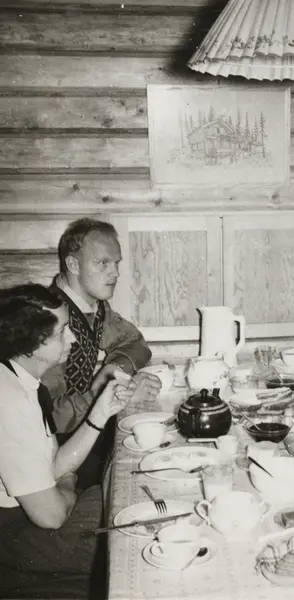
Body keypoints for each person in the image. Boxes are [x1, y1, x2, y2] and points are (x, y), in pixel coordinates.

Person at [0, 284, 131, 598]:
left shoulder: (21, 380)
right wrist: (68, 484)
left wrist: (100, 412)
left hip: (35, 516)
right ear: (31, 343)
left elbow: (55, 465)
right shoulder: (9, 400)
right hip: (16, 537)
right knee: (127, 530)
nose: (72, 338)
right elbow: (52, 515)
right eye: (61, 331)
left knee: (118, 498)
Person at [42, 218, 160, 435]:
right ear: (73, 264)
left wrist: (114, 371)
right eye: (103, 263)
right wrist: (113, 395)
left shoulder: (96, 307)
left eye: (116, 263)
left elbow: (135, 343)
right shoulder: (46, 321)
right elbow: (50, 417)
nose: (115, 273)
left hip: (86, 427)